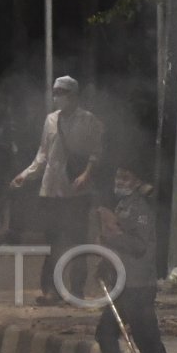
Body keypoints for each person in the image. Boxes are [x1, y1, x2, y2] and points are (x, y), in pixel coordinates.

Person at [95, 157, 177, 353]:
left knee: (147, 342)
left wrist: (114, 237)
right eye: (117, 177)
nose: (119, 182)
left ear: (137, 183)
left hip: (138, 285)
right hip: (124, 285)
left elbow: (138, 246)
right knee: (105, 333)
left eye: (125, 178)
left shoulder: (140, 210)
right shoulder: (123, 207)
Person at [11, 75, 105, 304]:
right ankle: (50, 290)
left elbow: (97, 152)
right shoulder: (51, 120)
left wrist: (86, 175)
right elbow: (42, 155)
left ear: (73, 96)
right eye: (55, 92)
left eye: (61, 93)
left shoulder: (88, 120)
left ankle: (76, 291)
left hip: (77, 191)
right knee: (53, 242)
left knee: (78, 241)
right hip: (51, 190)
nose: (57, 97)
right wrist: (25, 175)